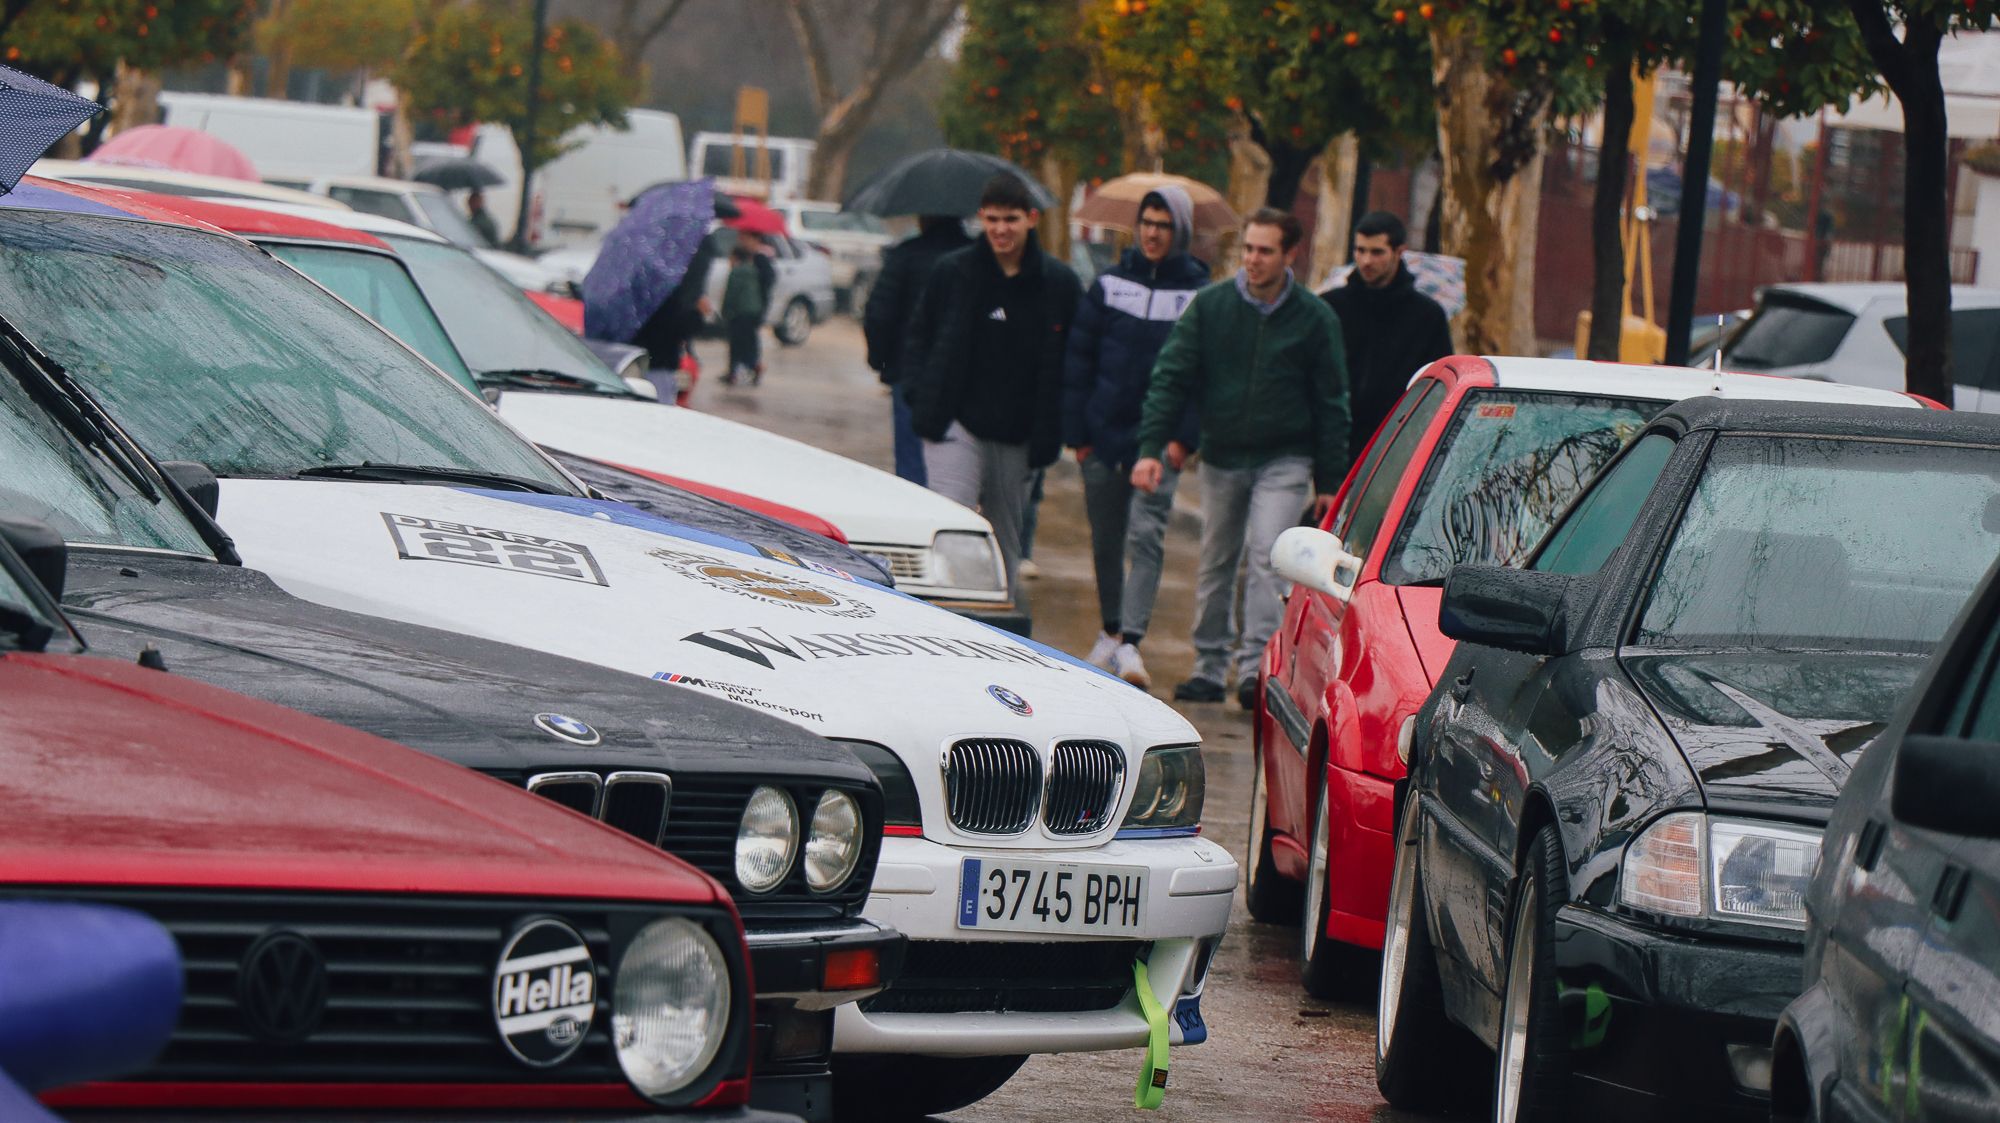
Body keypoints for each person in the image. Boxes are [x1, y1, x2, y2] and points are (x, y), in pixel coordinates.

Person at [1133, 207, 1349, 709]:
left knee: (1268, 557)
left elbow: (1331, 401)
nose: (1252, 259)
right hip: (1224, 454)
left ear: (1289, 254)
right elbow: (1171, 376)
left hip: (1285, 457)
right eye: (1248, 249)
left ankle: (1256, 669)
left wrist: (1329, 478)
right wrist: (1151, 448)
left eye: (1264, 250)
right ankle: (1209, 667)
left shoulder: (1315, 319)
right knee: (1216, 558)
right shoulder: (1211, 308)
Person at [906, 173, 1082, 597]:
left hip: (1018, 431)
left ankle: (1003, 626)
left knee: (1006, 539)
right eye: (992, 219)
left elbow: (1073, 361)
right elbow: (918, 336)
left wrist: (1059, 428)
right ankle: (943, 616)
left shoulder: (1059, 283)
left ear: (1031, 220)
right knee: (953, 523)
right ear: (981, 219)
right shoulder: (954, 272)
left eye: (1011, 219)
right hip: (955, 421)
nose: (1001, 229)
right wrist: (918, 394)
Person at [1062, 185, 1207, 688]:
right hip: (1101, 436)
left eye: (1163, 225)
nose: (1152, 233)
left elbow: (1200, 375)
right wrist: (1078, 434)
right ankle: (1108, 630)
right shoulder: (1108, 285)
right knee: (1105, 538)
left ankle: (1131, 642)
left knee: (1146, 537)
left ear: (1180, 232)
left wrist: (1182, 441)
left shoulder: (1197, 294)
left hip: (1158, 444)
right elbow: (1079, 361)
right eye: (1147, 222)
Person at [1320, 211, 1452, 457]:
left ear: (1399, 252)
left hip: (1399, 440)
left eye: (1377, 252)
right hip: (1337, 437)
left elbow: (1438, 383)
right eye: (1360, 250)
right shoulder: (1330, 307)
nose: (1366, 261)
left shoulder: (1427, 315)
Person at [864, 215, 974, 485]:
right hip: (965, 377)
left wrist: (882, 362)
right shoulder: (978, 259)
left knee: (912, 466)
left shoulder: (906, 255)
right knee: (960, 468)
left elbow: (879, 314)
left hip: (910, 370)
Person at [721, 244, 767, 385]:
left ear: (735, 257)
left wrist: (725, 310)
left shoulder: (736, 272)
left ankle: (734, 373)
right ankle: (755, 365)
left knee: (736, 344)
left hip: (740, 313)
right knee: (750, 342)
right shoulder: (753, 270)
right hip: (754, 312)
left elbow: (731, 294)